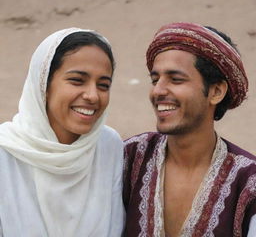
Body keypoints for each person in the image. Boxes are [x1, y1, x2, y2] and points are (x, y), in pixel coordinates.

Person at [123, 22, 256, 236]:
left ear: (216, 91)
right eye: (155, 79)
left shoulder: (249, 181)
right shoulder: (129, 157)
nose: (158, 90)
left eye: (175, 79)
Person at [0, 28, 124, 236]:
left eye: (103, 85)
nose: (93, 96)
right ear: (43, 85)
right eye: (77, 80)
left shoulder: (108, 146)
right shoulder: (5, 152)